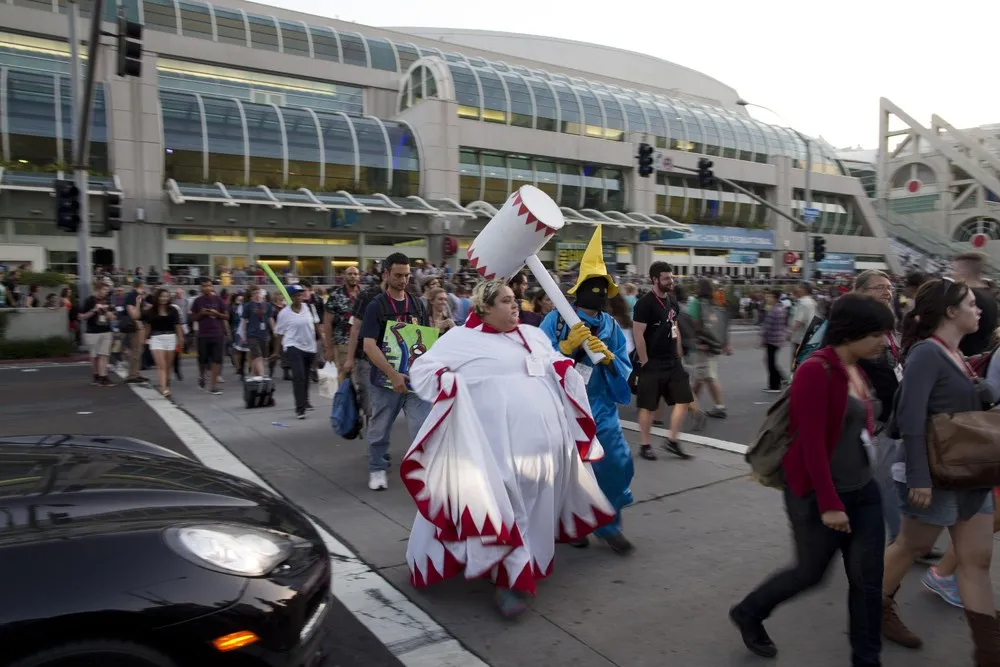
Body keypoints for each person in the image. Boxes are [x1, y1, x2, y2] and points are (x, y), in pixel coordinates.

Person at [401, 280, 616, 617]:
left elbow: (551, 363)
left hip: (545, 455)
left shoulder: (532, 335)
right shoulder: (460, 339)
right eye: (505, 301)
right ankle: (510, 581)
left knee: (533, 510)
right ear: (484, 307)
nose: (515, 305)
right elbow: (423, 368)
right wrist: (446, 381)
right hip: (492, 452)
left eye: (515, 299)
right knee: (503, 510)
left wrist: (566, 364)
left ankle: (523, 564)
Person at [730, 293, 894, 666]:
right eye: (877, 334)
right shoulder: (815, 370)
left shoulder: (861, 368)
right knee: (810, 573)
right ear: (851, 333)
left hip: (864, 490)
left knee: (868, 581)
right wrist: (830, 503)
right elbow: (812, 445)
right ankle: (749, 611)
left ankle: (867, 659)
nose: (884, 342)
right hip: (817, 495)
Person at [881, 277, 1000, 661]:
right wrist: (919, 477)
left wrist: (982, 392)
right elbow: (910, 418)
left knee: (977, 560)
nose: (978, 310)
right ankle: (874, 606)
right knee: (911, 546)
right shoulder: (926, 354)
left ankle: (989, 651)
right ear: (950, 312)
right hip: (934, 474)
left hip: (969, 475)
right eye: (971, 304)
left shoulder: (956, 353)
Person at [541, 227, 634, 553]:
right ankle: (572, 525)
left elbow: (624, 365)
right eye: (592, 287)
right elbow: (536, 361)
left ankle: (609, 524)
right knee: (569, 472)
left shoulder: (611, 326)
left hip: (601, 407)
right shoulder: (556, 320)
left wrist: (609, 360)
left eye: (602, 288)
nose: (597, 294)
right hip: (563, 407)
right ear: (578, 289)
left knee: (616, 463)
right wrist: (565, 348)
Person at [361, 253, 431, 491]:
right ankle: (377, 468)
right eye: (398, 275)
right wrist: (392, 374)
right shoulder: (376, 306)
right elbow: (369, 345)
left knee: (423, 426)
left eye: (407, 275)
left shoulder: (418, 304)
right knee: (380, 428)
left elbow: (426, 340)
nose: (403, 280)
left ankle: (423, 469)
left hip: (415, 379)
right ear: (386, 274)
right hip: (385, 381)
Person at [633, 261, 694, 461]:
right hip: (652, 361)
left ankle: (672, 440)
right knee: (648, 406)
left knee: (684, 399)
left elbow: (674, 327)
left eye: (671, 277)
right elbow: (638, 334)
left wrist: (679, 352)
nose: (671, 281)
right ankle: (645, 445)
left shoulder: (672, 302)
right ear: (655, 279)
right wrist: (644, 361)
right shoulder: (644, 304)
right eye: (667, 278)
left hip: (672, 360)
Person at [274, 284, 318, 419]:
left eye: (300, 295)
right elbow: (279, 333)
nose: (298, 297)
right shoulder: (284, 313)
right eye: (295, 295)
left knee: (306, 376)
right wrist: (276, 352)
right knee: (299, 376)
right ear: (290, 297)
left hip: (309, 346)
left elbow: (316, 326)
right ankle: (300, 408)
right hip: (292, 346)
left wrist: (324, 344)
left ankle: (305, 400)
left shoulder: (310, 308)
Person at [190, 278, 229, 395]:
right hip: (203, 334)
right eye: (204, 286)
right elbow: (192, 318)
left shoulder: (218, 300)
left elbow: (226, 316)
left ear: (212, 287)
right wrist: (201, 313)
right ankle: (202, 375)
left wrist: (217, 314)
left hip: (217, 333)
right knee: (202, 360)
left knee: (217, 360)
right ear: (201, 288)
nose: (207, 288)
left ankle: (213, 385)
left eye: (209, 285)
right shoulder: (197, 301)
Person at [142, 287, 183, 398]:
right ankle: (163, 388)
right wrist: (144, 339)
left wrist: (181, 339)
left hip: (171, 338)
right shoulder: (151, 311)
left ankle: (166, 384)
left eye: (166, 296)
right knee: (161, 365)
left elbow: (177, 326)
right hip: (156, 338)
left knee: (168, 366)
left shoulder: (173, 310)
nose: (164, 298)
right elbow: (146, 325)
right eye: (161, 296)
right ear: (157, 297)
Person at [79, 283, 115, 387]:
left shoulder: (108, 301)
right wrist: (94, 310)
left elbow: (113, 317)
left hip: (106, 330)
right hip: (92, 331)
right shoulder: (89, 301)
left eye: (107, 290)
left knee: (104, 355)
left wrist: (107, 311)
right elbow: (81, 317)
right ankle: (96, 375)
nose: (106, 292)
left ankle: (104, 376)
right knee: (94, 356)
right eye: (104, 289)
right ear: (98, 290)